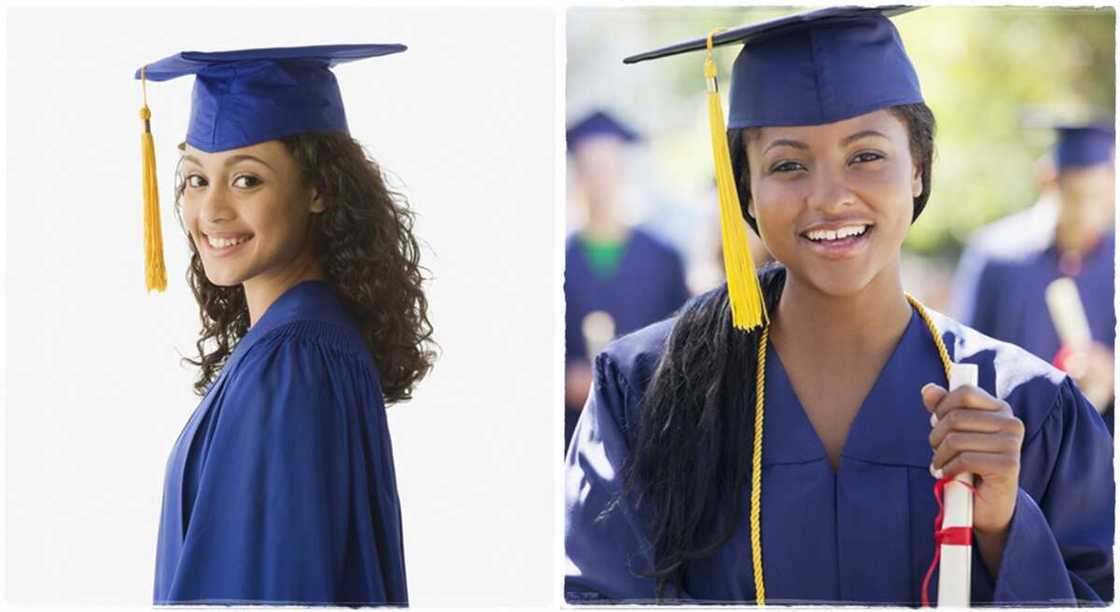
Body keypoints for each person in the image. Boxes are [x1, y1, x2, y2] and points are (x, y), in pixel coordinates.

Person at [566, 7, 1113, 605]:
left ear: (919, 168)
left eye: (866, 156)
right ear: (744, 189)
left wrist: (1005, 529)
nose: (829, 197)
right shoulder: (644, 394)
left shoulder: (1029, 409)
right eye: (788, 165)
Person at [136, 45, 434, 605]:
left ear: (319, 190)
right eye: (197, 178)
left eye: (247, 180)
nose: (212, 211)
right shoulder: (303, 341)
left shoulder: (291, 361)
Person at [968, 124, 1115, 432]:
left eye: (1100, 198)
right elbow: (963, 359)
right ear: (1049, 180)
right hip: (1013, 444)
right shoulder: (998, 256)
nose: (1087, 214)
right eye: (1077, 197)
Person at [564, 110, 690, 449]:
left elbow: (685, 345)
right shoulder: (556, 261)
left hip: (651, 429)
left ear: (623, 172)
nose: (600, 180)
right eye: (590, 169)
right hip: (574, 434)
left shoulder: (663, 257)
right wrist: (563, 379)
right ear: (576, 174)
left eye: (609, 168)